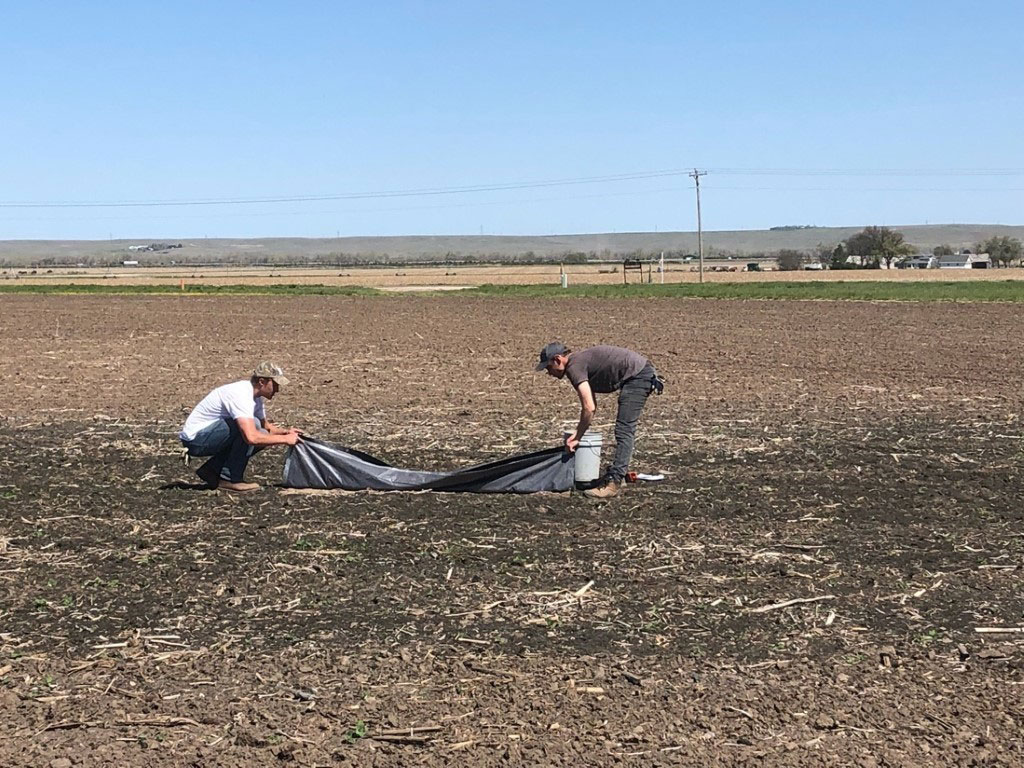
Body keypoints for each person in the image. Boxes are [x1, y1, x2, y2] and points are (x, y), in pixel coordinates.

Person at [536, 343, 662, 499]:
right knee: (624, 429)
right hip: (638, 373)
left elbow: (588, 408)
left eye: (548, 368)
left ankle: (614, 482)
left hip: (638, 376)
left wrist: (577, 437)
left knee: (624, 429)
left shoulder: (574, 367)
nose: (549, 373)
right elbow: (592, 405)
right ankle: (618, 474)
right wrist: (578, 435)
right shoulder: (577, 364)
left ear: (557, 359)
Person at [179, 362, 301, 492]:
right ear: (261, 382)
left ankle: (212, 470)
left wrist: (286, 433)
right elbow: (251, 437)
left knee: (261, 430)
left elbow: (267, 428)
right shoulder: (241, 395)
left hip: (209, 435)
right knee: (252, 426)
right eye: (275, 385)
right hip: (197, 440)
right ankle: (229, 479)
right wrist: (285, 440)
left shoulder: (256, 398)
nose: (277, 389)